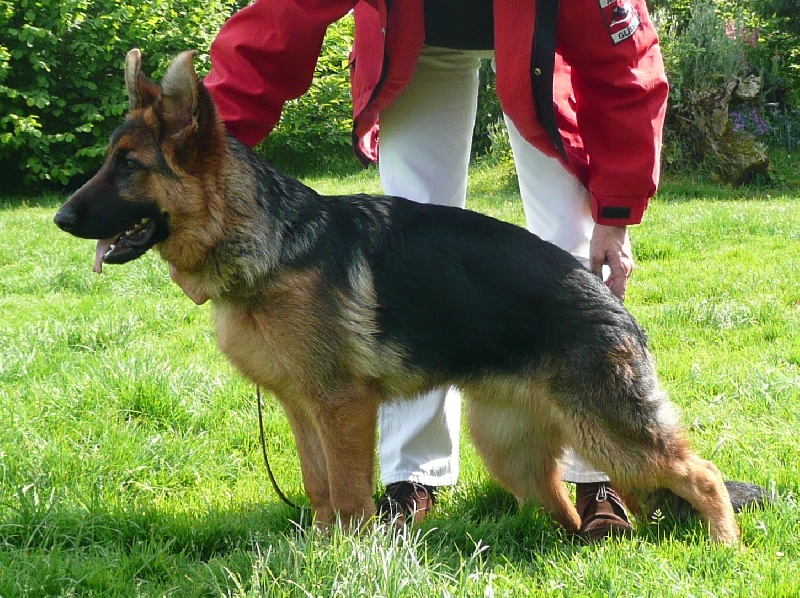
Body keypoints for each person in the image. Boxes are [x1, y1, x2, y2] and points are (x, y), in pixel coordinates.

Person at [188, 0, 664, 541]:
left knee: (570, 242)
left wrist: (616, 211)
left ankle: (597, 477)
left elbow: (625, 61)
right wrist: (202, 147)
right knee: (404, 253)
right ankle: (412, 477)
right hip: (417, 37)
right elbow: (282, 17)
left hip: (542, 31)